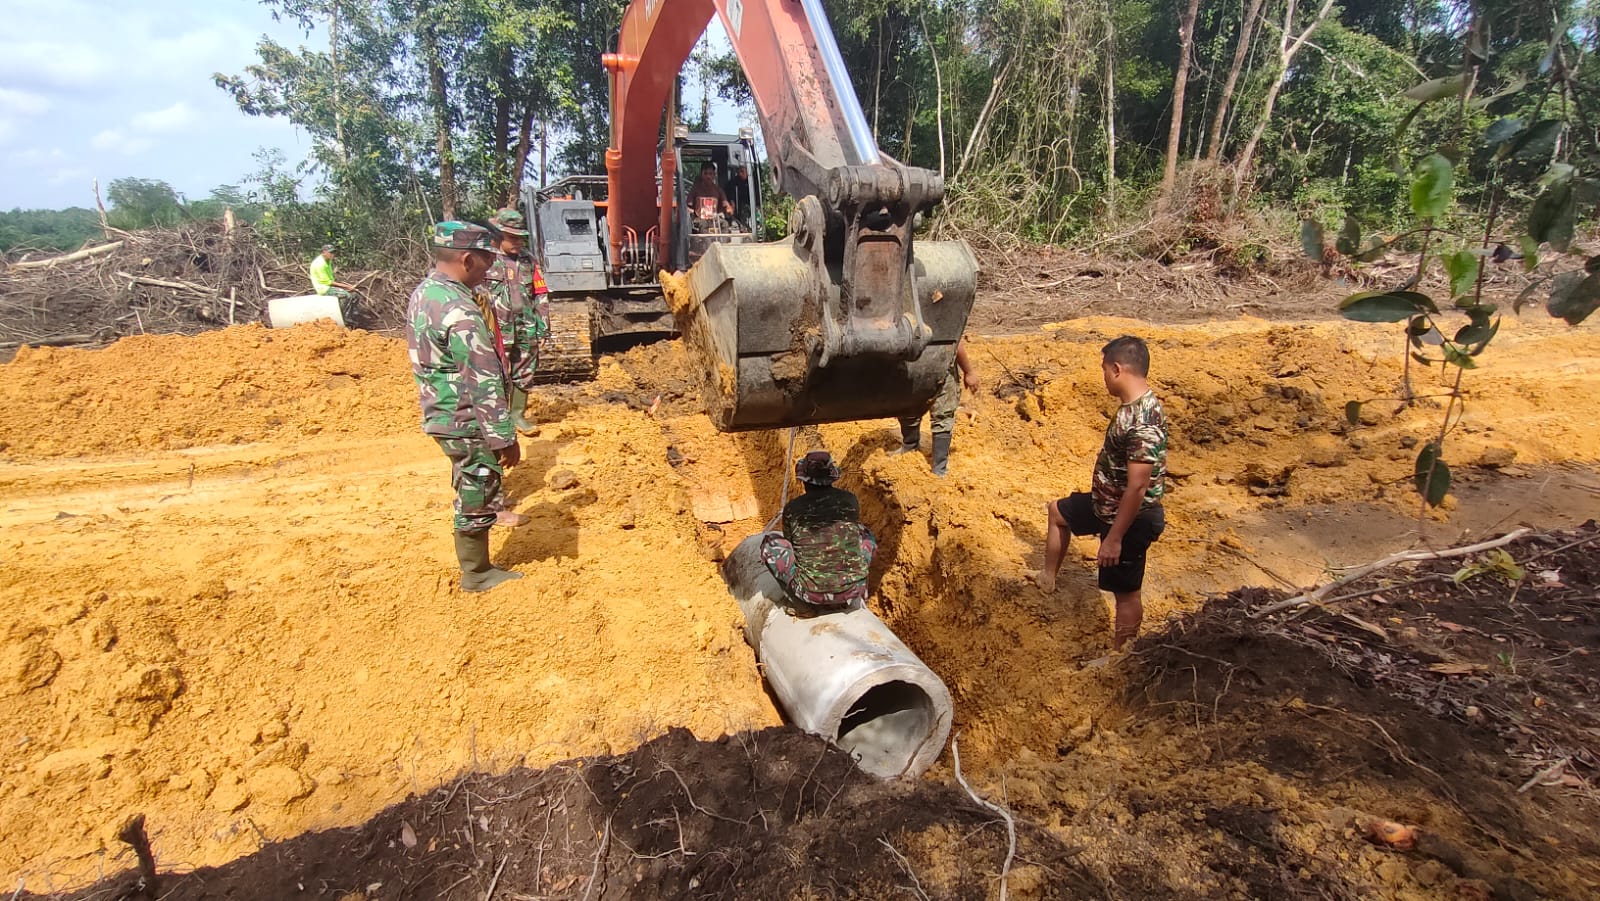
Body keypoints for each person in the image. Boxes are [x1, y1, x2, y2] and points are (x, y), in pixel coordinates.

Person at [405, 221, 524, 593]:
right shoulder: (461, 309)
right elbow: (482, 378)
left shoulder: (426, 294)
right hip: (465, 416)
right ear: (468, 259)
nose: (489, 270)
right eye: (486, 262)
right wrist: (504, 436)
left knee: (468, 477)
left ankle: (477, 567)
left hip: (441, 411)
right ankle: (477, 573)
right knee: (479, 484)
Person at [1034, 335, 1168, 654]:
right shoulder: (1131, 408)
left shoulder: (1143, 421)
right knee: (1058, 512)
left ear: (1118, 369)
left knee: (1126, 594)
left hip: (1130, 518)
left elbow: (1137, 486)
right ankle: (1047, 577)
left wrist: (1114, 538)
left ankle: (1120, 655)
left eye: (1104, 370)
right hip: (1105, 504)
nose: (1104, 377)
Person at [760, 451, 878, 612]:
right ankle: (854, 590)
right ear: (831, 478)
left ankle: (796, 602)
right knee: (865, 534)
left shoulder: (793, 509)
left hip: (810, 593)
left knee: (770, 544)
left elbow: (790, 541)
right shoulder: (850, 499)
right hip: (853, 589)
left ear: (804, 481)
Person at [483, 207, 551, 433]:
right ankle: (497, 419)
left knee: (524, 371)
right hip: (496, 328)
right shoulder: (486, 259)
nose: (518, 242)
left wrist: (543, 327)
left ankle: (517, 415)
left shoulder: (528, 260)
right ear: (498, 235)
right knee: (495, 373)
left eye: (521, 238)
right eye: (512, 238)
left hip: (525, 325)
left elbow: (540, 292)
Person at [890, 336, 979, 477]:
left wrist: (969, 371)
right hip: (910, 368)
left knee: (943, 415)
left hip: (942, 369)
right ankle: (910, 446)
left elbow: (955, 340)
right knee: (907, 409)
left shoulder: (942, 315)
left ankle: (939, 466)